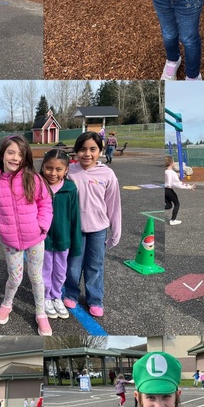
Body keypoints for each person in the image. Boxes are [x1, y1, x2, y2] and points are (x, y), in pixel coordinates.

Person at [0, 135, 54, 335]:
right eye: (11, 152)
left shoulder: (33, 178)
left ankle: (41, 313)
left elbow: (45, 204)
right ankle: (7, 303)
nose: (15, 158)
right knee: (15, 277)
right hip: (10, 240)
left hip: (35, 238)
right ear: (2, 154)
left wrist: (42, 226)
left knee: (35, 277)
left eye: (20, 154)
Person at [63, 132, 122, 317]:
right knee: (73, 264)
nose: (87, 154)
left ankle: (95, 299)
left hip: (98, 229)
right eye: (82, 149)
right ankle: (71, 293)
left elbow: (113, 204)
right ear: (76, 151)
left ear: (100, 151)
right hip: (75, 229)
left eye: (92, 149)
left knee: (95, 265)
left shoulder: (108, 174)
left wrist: (116, 230)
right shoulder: (69, 172)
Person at [41, 149, 81, 320]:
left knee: (60, 270)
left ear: (66, 170)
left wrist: (76, 241)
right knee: (45, 269)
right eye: (49, 168)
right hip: (42, 239)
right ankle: (45, 297)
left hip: (63, 238)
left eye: (58, 169)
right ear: (42, 167)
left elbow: (74, 216)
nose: (53, 173)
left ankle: (56, 296)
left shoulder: (70, 188)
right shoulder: (38, 185)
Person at [164, 153, 195, 226]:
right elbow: (177, 183)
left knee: (169, 205)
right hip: (169, 190)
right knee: (177, 204)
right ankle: (173, 220)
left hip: (164, 190)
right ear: (171, 163)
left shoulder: (164, 171)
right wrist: (189, 186)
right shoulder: (172, 173)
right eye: (174, 161)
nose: (174, 163)